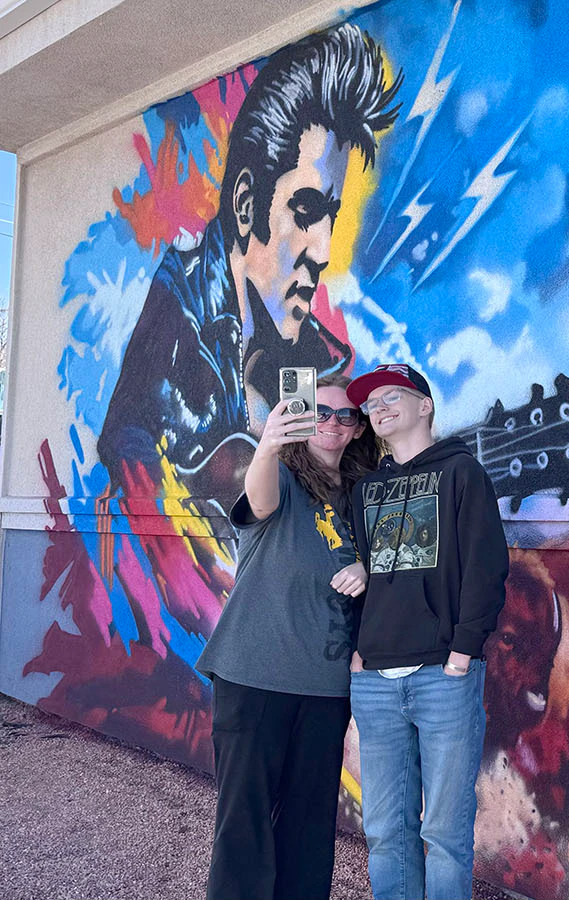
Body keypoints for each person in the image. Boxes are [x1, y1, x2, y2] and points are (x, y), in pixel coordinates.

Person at [98, 23, 400, 492]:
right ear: (244, 207)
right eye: (305, 211)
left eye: (330, 219)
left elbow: (306, 484)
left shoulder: (305, 356)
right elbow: (132, 480)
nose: (321, 252)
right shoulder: (180, 312)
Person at [196, 374, 380, 900]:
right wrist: (269, 443)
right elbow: (260, 498)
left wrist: (369, 567)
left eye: (345, 416)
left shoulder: (365, 500)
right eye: (319, 411)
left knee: (308, 830)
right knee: (245, 826)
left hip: (326, 689)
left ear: (357, 428)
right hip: (255, 677)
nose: (332, 423)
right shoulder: (281, 477)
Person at [346, 363, 510, 900]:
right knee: (386, 831)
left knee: (444, 834)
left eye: (395, 395)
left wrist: (462, 653)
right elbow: (367, 572)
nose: (381, 407)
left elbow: (486, 567)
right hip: (374, 680)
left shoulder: (462, 474)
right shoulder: (365, 491)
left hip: (443, 674)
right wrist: (357, 653)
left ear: (425, 406)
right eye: (372, 404)